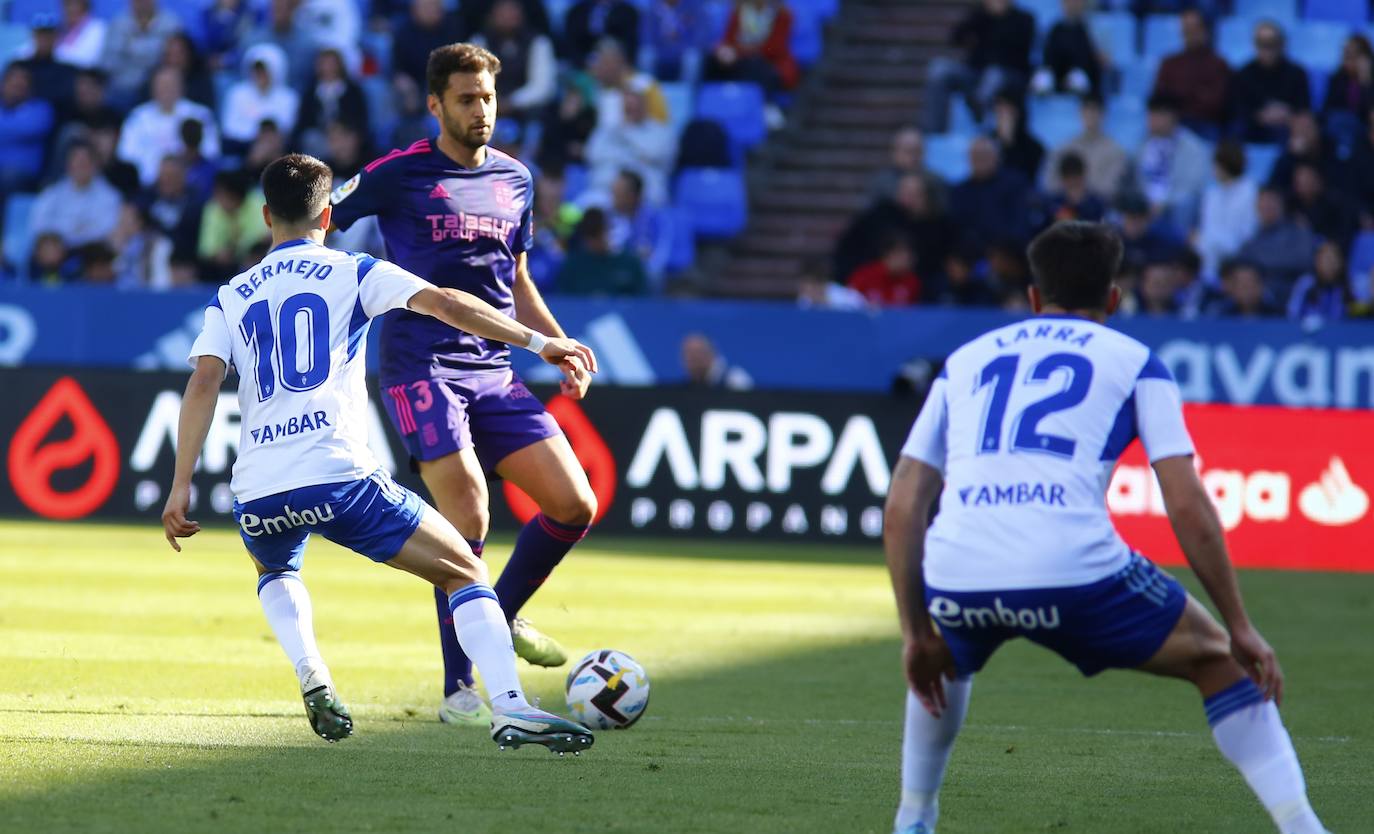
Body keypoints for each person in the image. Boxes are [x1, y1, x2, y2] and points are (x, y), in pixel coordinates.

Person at [884, 220, 1330, 834]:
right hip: (1071, 570)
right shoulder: (1136, 362)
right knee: (1221, 660)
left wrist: (915, 631)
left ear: (1035, 298)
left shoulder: (964, 362)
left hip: (959, 569)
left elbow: (905, 500)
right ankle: (1304, 828)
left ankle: (912, 819)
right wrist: (1240, 626)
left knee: (942, 658)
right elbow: (1188, 504)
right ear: (1114, 299)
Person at [161, 152, 596, 752]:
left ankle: (312, 674)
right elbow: (447, 303)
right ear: (328, 213)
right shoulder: (353, 271)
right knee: (466, 570)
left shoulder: (231, 294)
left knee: (276, 568)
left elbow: (203, 382)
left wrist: (180, 484)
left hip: (257, 489)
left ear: (266, 215)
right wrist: (537, 341)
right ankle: (512, 707)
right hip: (337, 475)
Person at [329, 44, 602, 726]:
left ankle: (497, 618)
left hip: (495, 369)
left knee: (574, 504)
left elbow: (516, 282)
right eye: (466, 99)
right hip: (420, 364)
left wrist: (557, 344)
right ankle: (460, 691)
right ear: (435, 105)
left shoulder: (516, 179)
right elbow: (320, 216)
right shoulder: (399, 174)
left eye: (487, 97)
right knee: (469, 517)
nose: (481, 110)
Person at [922, 0, 1035, 132]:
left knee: (994, 74)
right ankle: (934, 132)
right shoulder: (979, 15)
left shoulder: (1025, 19)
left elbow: (1019, 53)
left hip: (1007, 75)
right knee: (939, 69)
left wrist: (1001, 18)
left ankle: (978, 107)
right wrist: (983, 14)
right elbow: (955, 38)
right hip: (975, 73)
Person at [118, 66, 220, 186]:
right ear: (152, 88)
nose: (166, 90)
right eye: (161, 85)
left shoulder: (200, 114)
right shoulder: (138, 117)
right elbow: (127, 155)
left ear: (182, 87)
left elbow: (211, 151)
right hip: (147, 184)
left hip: (190, 185)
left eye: (171, 85)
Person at [470, 0, 558, 130]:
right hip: (485, 108)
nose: (508, 15)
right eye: (503, 10)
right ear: (492, 14)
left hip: (528, 114)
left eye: (512, 10)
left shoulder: (538, 42)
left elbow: (542, 87)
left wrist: (512, 102)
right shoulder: (479, 42)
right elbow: (471, 80)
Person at [1131, 95, 1210, 230]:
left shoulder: (1192, 147)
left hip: (1173, 205)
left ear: (1171, 117)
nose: (1150, 120)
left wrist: (1164, 203)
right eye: (1149, 115)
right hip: (1144, 203)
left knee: (1186, 205)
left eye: (1156, 115)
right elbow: (1136, 178)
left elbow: (1192, 187)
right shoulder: (1143, 143)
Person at [30, 141, 123, 249]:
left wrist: (72, 234)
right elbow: (39, 225)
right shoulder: (52, 194)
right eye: (77, 162)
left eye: (84, 163)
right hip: (58, 251)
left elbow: (108, 229)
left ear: (95, 165)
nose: (80, 167)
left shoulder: (111, 196)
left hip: (92, 252)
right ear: (68, 165)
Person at [1228, 21, 1309, 144]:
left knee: (1301, 131)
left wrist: (1287, 115)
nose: (1267, 49)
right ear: (1255, 45)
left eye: (1271, 44)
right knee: (1236, 129)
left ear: (1282, 44)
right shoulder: (1243, 74)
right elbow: (1238, 108)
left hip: (1286, 125)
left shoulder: (1297, 73)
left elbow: (1303, 107)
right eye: (1262, 44)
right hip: (1254, 125)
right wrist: (1260, 116)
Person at [1151, 9, 1230, 135]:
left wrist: (1181, 98)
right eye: (1186, 29)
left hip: (1206, 123)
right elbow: (1161, 98)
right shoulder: (1169, 64)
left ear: (1205, 31)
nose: (1190, 33)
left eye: (1194, 28)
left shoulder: (1219, 64)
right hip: (1174, 124)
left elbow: (1216, 103)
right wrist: (1195, 95)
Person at [1041, 93, 1126, 200]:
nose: (1090, 114)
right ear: (1080, 112)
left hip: (1098, 210)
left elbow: (1110, 189)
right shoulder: (1064, 148)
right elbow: (1049, 184)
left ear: (1103, 114)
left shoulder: (1115, 151)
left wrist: (1080, 191)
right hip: (1064, 208)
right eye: (1087, 109)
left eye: (1095, 110)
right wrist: (1070, 191)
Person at [101, 0, 180, 108]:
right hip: (124, 85)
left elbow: (174, 57)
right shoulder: (118, 23)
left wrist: (131, 48)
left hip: (157, 83)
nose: (142, 3)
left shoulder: (171, 23)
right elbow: (108, 61)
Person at [1195, 142, 1258, 276]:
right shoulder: (1211, 194)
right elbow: (1207, 226)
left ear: (1225, 166)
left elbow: (1246, 233)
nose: (1213, 170)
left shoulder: (1251, 193)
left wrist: (1206, 240)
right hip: (1209, 247)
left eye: (1215, 165)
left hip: (1239, 249)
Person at [221, 43, 300, 149]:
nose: (260, 74)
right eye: (256, 70)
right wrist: (257, 135)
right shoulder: (237, 93)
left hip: (277, 149)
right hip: (241, 147)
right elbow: (229, 127)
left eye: (264, 70)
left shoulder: (288, 97)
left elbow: (286, 127)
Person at [555, 207, 648, 296]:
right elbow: (564, 299)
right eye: (592, 236)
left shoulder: (630, 263)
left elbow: (644, 300)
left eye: (600, 233)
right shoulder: (572, 265)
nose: (597, 241)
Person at [0, 64, 55, 192]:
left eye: (20, 86)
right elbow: (19, 129)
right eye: (12, 85)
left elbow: (31, 128)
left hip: (21, 173)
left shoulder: (41, 109)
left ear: (29, 89)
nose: (16, 89)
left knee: (7, 177)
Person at [868, 127, 947, 211]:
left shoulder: (936, 181)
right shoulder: (882, 183)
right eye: (908, 151)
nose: (913, 156)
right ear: (895, 152)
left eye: (917, 150)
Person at [1031, 0, 1099, 96]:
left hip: (1082, 73)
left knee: (1079, 78)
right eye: (1068, 2)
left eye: (1076, 2)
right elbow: (1048, 56)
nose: (1072, 5)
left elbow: (1092, 58)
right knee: (1043, 78)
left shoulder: (1089, 28)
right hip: (1056, 74)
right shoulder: (1055, 28)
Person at [563, 0, 640, 69]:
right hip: (582, 67)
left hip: (617, 65)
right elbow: (571, 45)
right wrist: (584, 63)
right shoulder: (576, 12)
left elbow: (630, 45)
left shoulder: (627, 12)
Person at [1288, 240, 1350, 323]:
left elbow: (1350, 317)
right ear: (1317, 261)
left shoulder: (1347, 287)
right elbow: (1292, 313)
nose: (1330, 263)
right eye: (1326, 259)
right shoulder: (1305, 283)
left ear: (1340, 263)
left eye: (1333, 259)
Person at [846, 237, 922, 307]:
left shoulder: (912, 281)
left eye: (908, 257)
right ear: (886, 254)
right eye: (899, 254)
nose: (904, 260)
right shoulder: (864, 276)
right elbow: (849, 304)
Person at [680, 332, 753, 389]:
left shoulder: (735, 379)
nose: (694, 359)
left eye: (698, 352)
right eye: (688, 354)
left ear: (711, 352)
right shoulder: (686, 387)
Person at [54, 0, 108, 69]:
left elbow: (91, 60)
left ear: (85, 6)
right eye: (68, 4)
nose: (71, 8)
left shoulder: (98, 29)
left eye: (76, 4)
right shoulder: (56, 30)